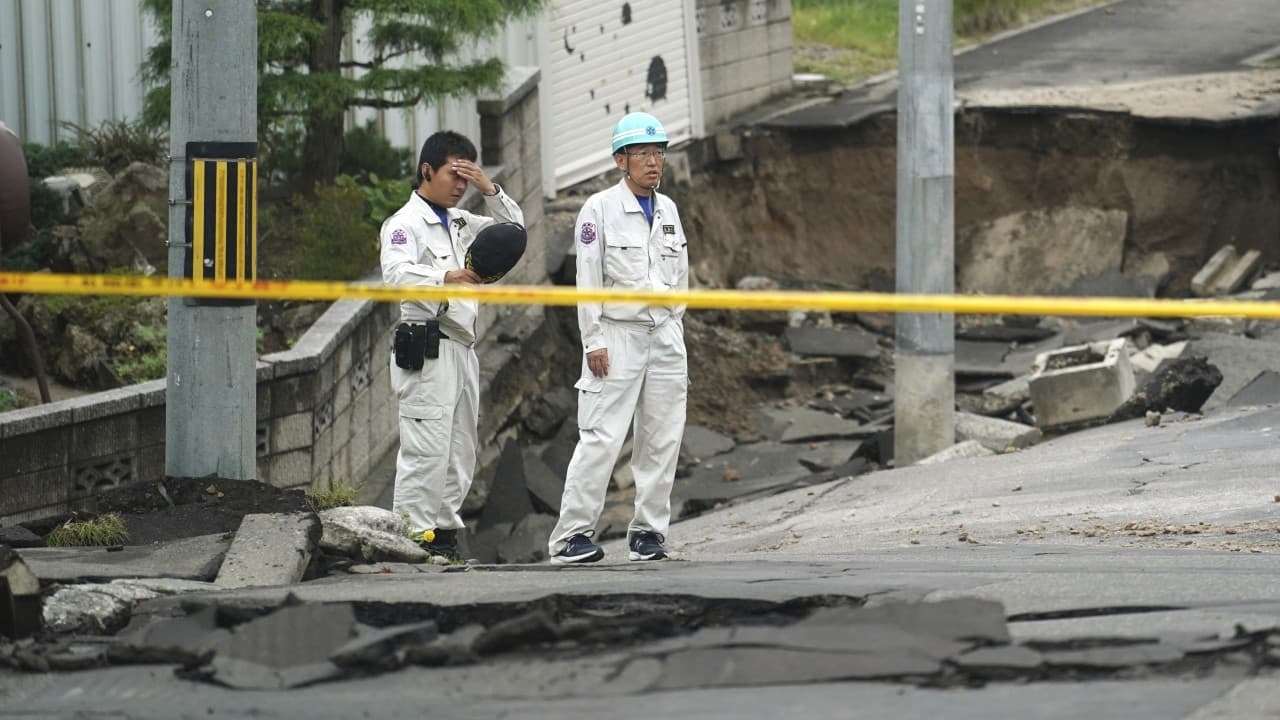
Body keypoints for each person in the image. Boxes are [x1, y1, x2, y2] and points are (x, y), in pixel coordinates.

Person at [547, 111, 690, 564]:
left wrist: (674, 327)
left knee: (662, 438)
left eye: (658, 152)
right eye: (642, 153)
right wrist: (593, 340)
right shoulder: (599, 209)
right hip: (617, 334)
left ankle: (648, 533)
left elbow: (681, 276)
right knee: (601, 436)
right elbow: (587, 278)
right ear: (620, 160)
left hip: (664, 335)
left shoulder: (668, 210)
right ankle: (571, 536)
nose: (653, 161)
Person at [380, 130, 523, 560]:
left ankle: (442, 538)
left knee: (460, 449)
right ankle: (410, 540)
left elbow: (512, 232)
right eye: (453, 175)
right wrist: (444, 276)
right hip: (427, 343)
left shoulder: (459, 221)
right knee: (426, 448)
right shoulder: (404, 224)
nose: (460, 185)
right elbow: (396, 275)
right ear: (427, 171)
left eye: (466, 176)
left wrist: (488, 188)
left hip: (463, 345)